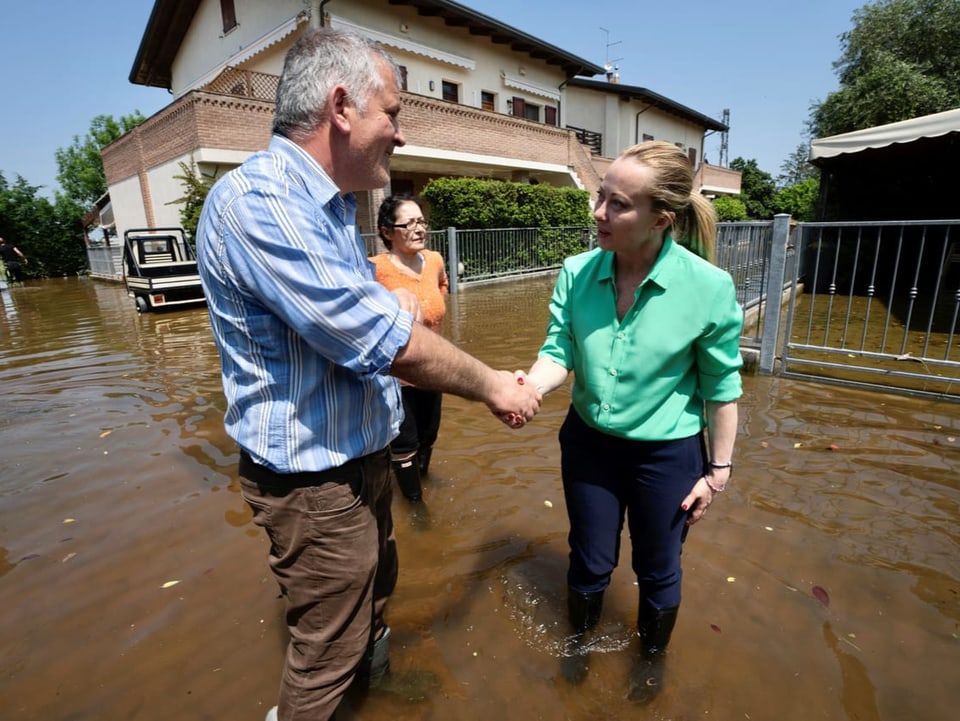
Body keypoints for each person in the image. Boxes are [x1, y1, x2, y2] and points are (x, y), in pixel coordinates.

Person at [195, 28, 541, 721]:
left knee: (375, 594)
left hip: (360, 460)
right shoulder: (260, 204)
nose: (401, 134)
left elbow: (359, 313)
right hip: (313, 485)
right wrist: (497, 385)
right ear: (342, 106)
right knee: (321, 659)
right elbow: (389, 343)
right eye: (394, 112)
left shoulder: (328, 210)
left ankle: (372, 691)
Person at [521, 140, 743, 703]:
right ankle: (578, 656)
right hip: (589, 446)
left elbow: (721, 391)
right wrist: (526, 388)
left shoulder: (708, 288)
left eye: (617, 204)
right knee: (589, 559)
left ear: (660, 220)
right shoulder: (576, 272)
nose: (598, 212)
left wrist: (717, 473)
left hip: (667, 456)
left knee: (659, 567)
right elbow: (558, 352)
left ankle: (650, 667)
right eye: (600, 195)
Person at [371, 195, 448, 502]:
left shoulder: (435, 261)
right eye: (410, 223)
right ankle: (416, 509)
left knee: (429, 436)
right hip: (396, 376)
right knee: (405, 443)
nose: (419, 229)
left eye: (421, 221)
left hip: (434, 369)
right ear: (388, 232)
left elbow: (441, 288)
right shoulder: (374, 270)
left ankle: (423, 477)